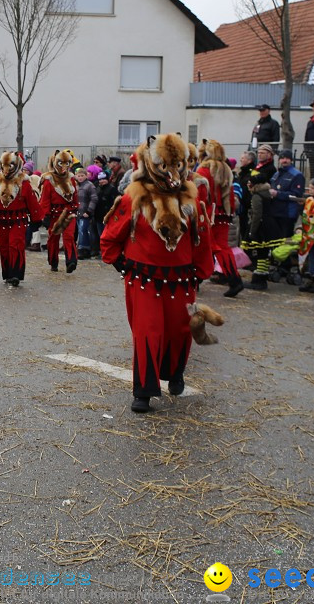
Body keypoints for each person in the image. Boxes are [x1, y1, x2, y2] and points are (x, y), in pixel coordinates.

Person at [100, 133, 213, 413]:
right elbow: (110, 237)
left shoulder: (192, 201)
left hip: (183, 281)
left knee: (180, 331)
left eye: (178, 165)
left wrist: (200, 272)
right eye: (166, 165)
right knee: (148, 332)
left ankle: (174, 373)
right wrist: (121, 264)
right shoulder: (134, 198)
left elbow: (202, 239)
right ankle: (144, 391)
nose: (173, 173)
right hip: (144, 281)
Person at [0, 151, 43, 286]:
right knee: (4, 247)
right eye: (4, 166)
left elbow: (31, 202)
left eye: (10, 166)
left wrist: (36, 219)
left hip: (18, 219)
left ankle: (16, 274)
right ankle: (7, 273)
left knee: (15, 245)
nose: (7, 169)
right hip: (0, 220)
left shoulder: (23, 182)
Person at [197, 140, 244, 297]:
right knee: (221, 248)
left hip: (209, 214)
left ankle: (195, 279)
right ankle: (234, 279)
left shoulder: (204, 169)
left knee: (203, 246)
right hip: (224, 213)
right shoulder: (226, 169)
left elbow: (200, 193)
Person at [39, 150, 80, 273]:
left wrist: (76, 206)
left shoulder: (71, 178)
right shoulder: (48, 180)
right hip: (54, 214)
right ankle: (53, 262)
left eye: (66, 164)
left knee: (69, 237)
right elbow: (45, 199)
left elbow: (75, 195)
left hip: (68, 212)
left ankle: (71, 261)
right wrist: (45, 215)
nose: (63, 167)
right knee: (53, 238)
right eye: (61, 163)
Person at [268, 150, 305, 242]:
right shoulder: (276, 174)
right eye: (282, 158)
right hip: (274, 212)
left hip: (287, 214)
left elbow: (296, 195)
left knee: (285, 243)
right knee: (274, 241)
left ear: (291, 160)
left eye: (287, 158)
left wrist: (278, 194)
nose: (284, 160)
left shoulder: (297, 175)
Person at [92, 171, 118, 258]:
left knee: (106, 236)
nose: (101, 181)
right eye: (100, 179)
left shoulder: (112, 189)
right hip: (98, 217)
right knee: (100, 236)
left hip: (108, 216)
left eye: (103, 179)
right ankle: (102, 251)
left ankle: (108, 252)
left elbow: (115, 203)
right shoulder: (97, 188)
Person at [74, 167, 98, 259]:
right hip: (78, 212)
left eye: (82, 176)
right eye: (79, 176)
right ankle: (80, 247)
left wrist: (89, 211)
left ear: (86, 176)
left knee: (83, 230)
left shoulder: (89, 186)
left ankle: (84, 249)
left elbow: (94, 199)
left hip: (85, 212)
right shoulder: (76, 186)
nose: (80, 177)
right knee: (80, 231)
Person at [235, 150, 257, 244]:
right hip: (241, 207)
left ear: (249, 160)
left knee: (245, 230)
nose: (241, 159)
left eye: (243, 158)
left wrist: (246, 203)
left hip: (247, 207)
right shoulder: (242, 173)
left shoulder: (253, 173)